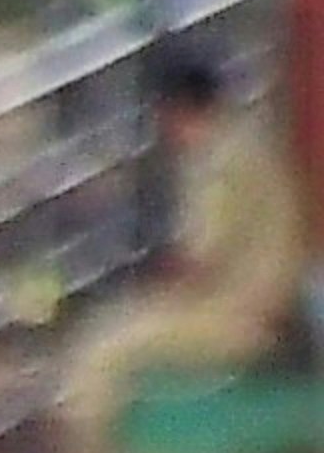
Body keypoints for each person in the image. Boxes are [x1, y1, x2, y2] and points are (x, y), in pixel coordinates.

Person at [63, 41, 307, 427]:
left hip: (241, 316)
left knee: (102, 348)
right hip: (259, 306)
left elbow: (198, 261)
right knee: (118, 324)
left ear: (174, 108)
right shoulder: (246, 143)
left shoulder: (220, 160)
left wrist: (147, 283)